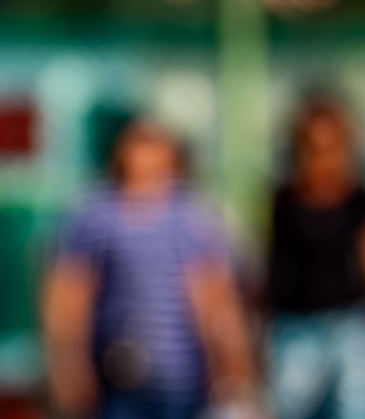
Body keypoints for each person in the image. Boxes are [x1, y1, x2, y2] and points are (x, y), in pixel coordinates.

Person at [41, 118, 257, 419]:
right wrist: (68, 365)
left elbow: (217, 301)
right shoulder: (94, 215)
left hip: (183, 378)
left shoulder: (193, 218)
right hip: (115, 375)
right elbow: (68, 294)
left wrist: (234, 371)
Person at [266, 95, 365, 419]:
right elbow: (274, 265)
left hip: (348, 323)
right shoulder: (284, 199)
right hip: (294, 325)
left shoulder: (356, 200)